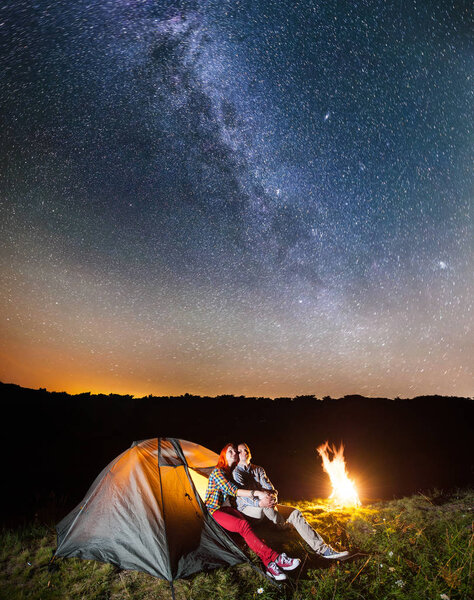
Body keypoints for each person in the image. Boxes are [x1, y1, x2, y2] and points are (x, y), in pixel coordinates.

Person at [233, 443, 349, 559]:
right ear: (237, 455)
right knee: (265, 504)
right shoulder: (236, 472)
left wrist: (273, 498)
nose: (244, 452)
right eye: (240, 451)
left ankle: (323, 550)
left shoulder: (258, 469)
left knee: (295, 512)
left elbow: (270, 489)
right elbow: (244, 496)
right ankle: (281, 525)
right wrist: (260, 502)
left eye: (246, 449)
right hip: (248, 510)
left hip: (268, 505)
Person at [205, 443, 300, 580]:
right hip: (213, 511)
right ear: (223, 456)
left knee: (248, 527)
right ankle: (276, 558)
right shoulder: (218, 472)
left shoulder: (228, 473)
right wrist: (258, 494)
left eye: (235, 452)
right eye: (230, 451)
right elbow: (234, 491)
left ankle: (269, 566)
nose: (234, 454)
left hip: (224, 509)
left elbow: (233, 497)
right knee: (242, 526)